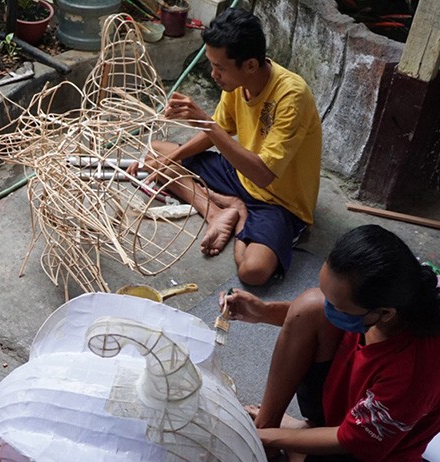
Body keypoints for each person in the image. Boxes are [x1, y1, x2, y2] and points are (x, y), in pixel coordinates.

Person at [221, 224, 440, 461]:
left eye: (339, 307)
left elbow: (351, 440)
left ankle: (296, 440)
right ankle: (280, 429)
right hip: (345, 408)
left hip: (367, 449)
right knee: (310, 305)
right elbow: (313, 316)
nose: (329, 309)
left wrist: (262, 437)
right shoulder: (382, 312)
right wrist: (264, 312)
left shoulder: (415, 371)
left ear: (385, 312)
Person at [127, 8, 322, 286]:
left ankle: (241, 217)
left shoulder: (292, 96)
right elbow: (218, 131)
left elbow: (263, 175)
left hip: (278, 200)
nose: (213, 74)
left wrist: (206, 123)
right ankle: (218, 210)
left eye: (220, 67)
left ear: (250, 65)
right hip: (239, 174)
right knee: (157, 151)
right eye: (211, 64)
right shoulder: (237, 83)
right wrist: (170, 160)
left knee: (252, 271)